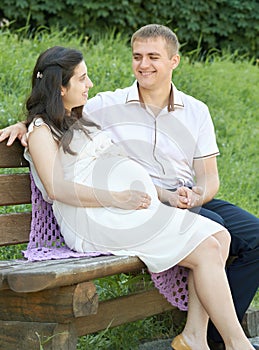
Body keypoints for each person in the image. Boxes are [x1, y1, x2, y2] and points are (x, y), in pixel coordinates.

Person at [0, 24, 258, 349]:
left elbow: (207, 176)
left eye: (153, 57)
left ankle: (194, 336)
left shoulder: (80, 118)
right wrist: (118, 196)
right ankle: (236, 343)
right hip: (95, 219)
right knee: (209, 241)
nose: (90, 83)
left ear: (173, 61)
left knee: (219, 235)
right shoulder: (58, 123)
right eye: (82, 78)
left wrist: (169, 195)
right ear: (60, 87)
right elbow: (55, 185)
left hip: (130, 207)